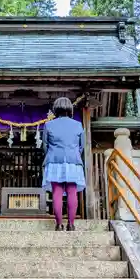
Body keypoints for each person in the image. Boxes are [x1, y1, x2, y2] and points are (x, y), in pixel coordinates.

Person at [42, 97, 86, 231]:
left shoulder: (49, 125)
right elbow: (81, 146)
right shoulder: (78, 125)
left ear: (56, 109)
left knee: (57, 192)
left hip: (54, 160)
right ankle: (71, 224)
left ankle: (59, 224)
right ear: (70, 109)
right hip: (73, 161)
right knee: (72, 192)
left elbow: (45, 145)